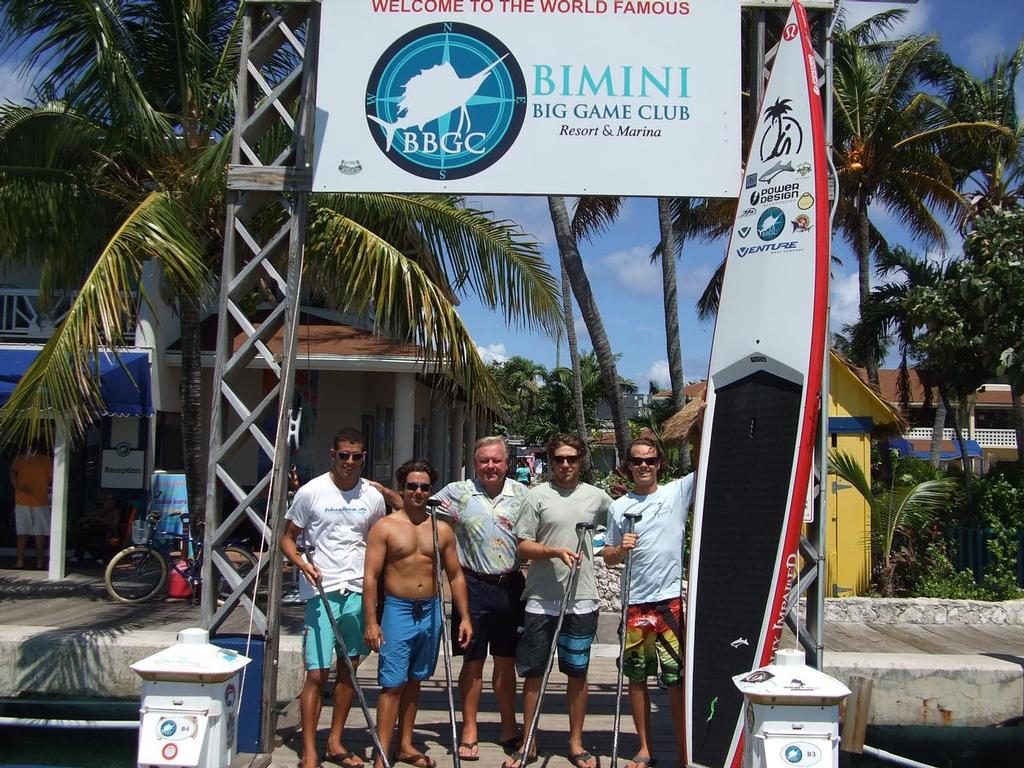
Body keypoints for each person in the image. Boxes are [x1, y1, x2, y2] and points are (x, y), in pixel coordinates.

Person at [280, 428, 387, 768]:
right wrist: (301, 564)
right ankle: (309, 750)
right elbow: (287, 539)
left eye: (356, 456)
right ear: (333, 454)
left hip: (357, 591)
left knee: (349, 672)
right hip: (320, 593)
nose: (349, 462)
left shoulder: (372, 496)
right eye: (344, 455)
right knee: (316, 674)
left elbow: (378, 544)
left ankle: (335, 742)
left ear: (363, 457)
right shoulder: (311, 492)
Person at [507, 434, 613, 768]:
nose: (565, 465)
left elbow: (616, 534)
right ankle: (529, 742)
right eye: (558, 459)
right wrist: (553, 551)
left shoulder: (598, 498)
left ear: (581, 461)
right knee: (534, 672)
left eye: (572, 459)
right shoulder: (536, 496)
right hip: (541, 598)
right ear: (550, 461)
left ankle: (576, 743)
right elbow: (522, 546)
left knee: (577, 673)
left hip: (581, 598)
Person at [363, 459, 473, 768]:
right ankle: (382, 751)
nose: (418, 492)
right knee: (392, 683)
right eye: (412, 486)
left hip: (430, 610)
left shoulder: (441, 530)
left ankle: (406, 745)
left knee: (415, 680)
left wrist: (464, 616)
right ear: (402, 488)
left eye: (424, 487)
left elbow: (455, 576)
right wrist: (371, 621)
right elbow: (370, 577)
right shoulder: (385, 527)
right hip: (397, 610)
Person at [432, 436, 529, 760]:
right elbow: (419, 509)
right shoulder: (456, 493)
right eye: (484, 461)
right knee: (472, 662)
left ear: (507, 463)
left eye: (496, 461)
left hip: (511, 586)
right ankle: (469, 729)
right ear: (475, 463)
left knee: (506, 663)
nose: (490, 466)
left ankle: (508, 727)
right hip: (471, 586)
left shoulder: (522, 495)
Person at [603, 438, 696, 768]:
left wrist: (702, 414)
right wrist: (620, 549)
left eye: (650, 460)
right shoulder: (618, 508)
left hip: (669, 604)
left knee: (676, 680)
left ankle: (686, 752)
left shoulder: (677, 492)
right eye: (637, 461)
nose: (644, 466)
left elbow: (709, 452)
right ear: (628, 466)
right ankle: (644, 749)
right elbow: (609, 557)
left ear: (659, 464)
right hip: (635, 605)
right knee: (638, 678)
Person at [10, 444, 52, 570]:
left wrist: (17, 486)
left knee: (22, 532)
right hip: (40, 501)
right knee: (40, 533)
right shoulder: (46, 460)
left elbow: (12, 473)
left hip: (23, 500)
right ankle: (39, 562)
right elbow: (52, 479)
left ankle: (20, 561)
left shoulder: (21, 458)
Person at [73, 491, 122, 565]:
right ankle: (77, 556)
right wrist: (91, 517)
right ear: (103, 501)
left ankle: (100, 558)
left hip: (107, 530)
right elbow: (81, 520)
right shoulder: (97, 510)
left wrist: (101, 520)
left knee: (104, 534)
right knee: (83, 532)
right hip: (93, 530)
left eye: (112, 500)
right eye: (108, 500)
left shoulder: (115, 511)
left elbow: (114, 523)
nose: (111, 502)